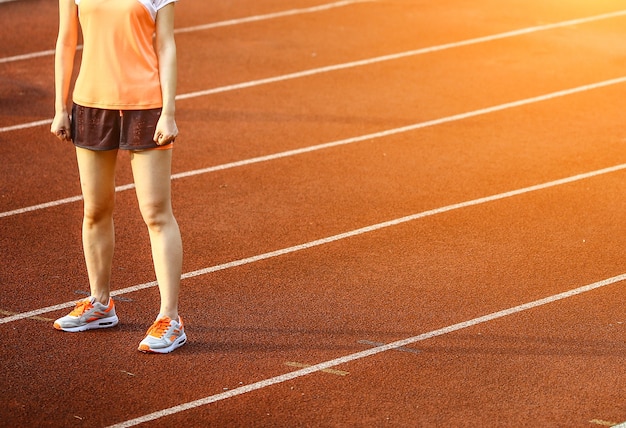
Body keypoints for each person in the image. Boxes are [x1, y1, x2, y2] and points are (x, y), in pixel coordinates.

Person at [50, 0, 186, 354]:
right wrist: (61, 108)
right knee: (95, 210)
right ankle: (100, 303)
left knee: (156, 212)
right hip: (91, 104)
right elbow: (66, 40)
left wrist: (168, 111)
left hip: (145, 105)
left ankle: (170, 318)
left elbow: (166, 44)